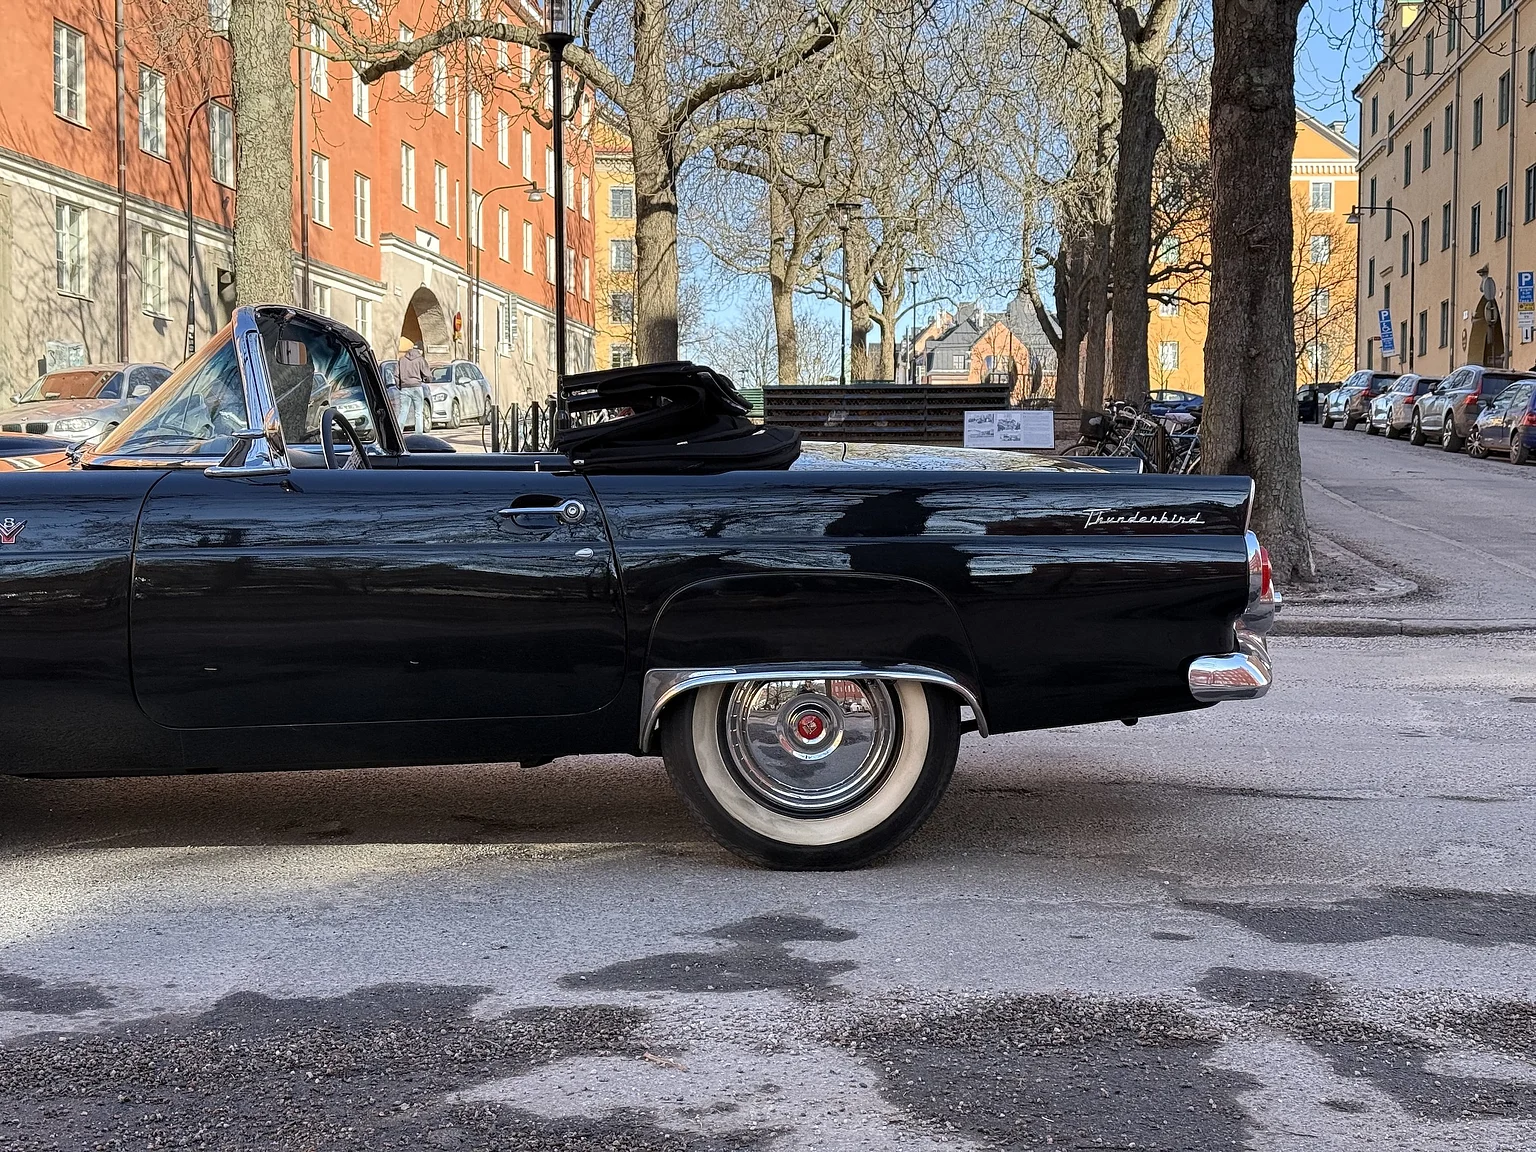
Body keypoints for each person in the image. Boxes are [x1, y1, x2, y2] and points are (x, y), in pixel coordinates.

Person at [397, 337, 433, 432]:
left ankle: (398, 432)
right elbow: (427, 374)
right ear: (420, 350)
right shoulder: (420, 360)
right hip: (417, 387)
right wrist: (427, 380)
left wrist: (399, 385)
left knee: (403, 411)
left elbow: (396, 375)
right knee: (418, 412)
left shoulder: (402, 360)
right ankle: (418, 433)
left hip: (404, 387)